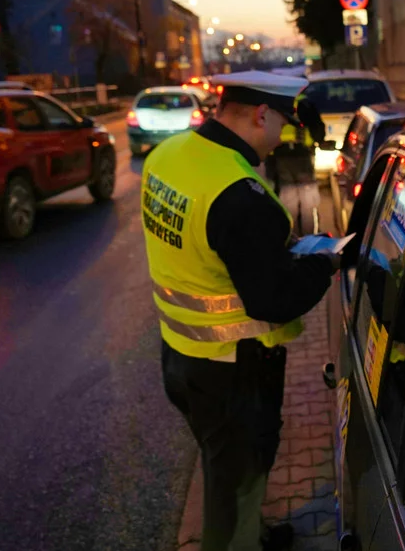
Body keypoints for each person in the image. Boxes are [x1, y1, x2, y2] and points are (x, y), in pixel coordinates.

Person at [141, 73, 338, 551]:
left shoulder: (168, 155)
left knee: (221, 466)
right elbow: (273, 300)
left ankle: (250, 533)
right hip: (235, 371)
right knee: (238, 481)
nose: (279, 140)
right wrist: (326, 263)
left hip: (181, 355)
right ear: (259, 115)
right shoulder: (238, 192)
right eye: (281, 127)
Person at [264, 93, 326, 236]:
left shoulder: (275, 105)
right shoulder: (304, 104)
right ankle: (308, 239)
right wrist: (319, 140)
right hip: (302, 155)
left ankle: (291, 237)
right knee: (307, 200)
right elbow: (318, 130)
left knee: (288, 197)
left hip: (281, 156)